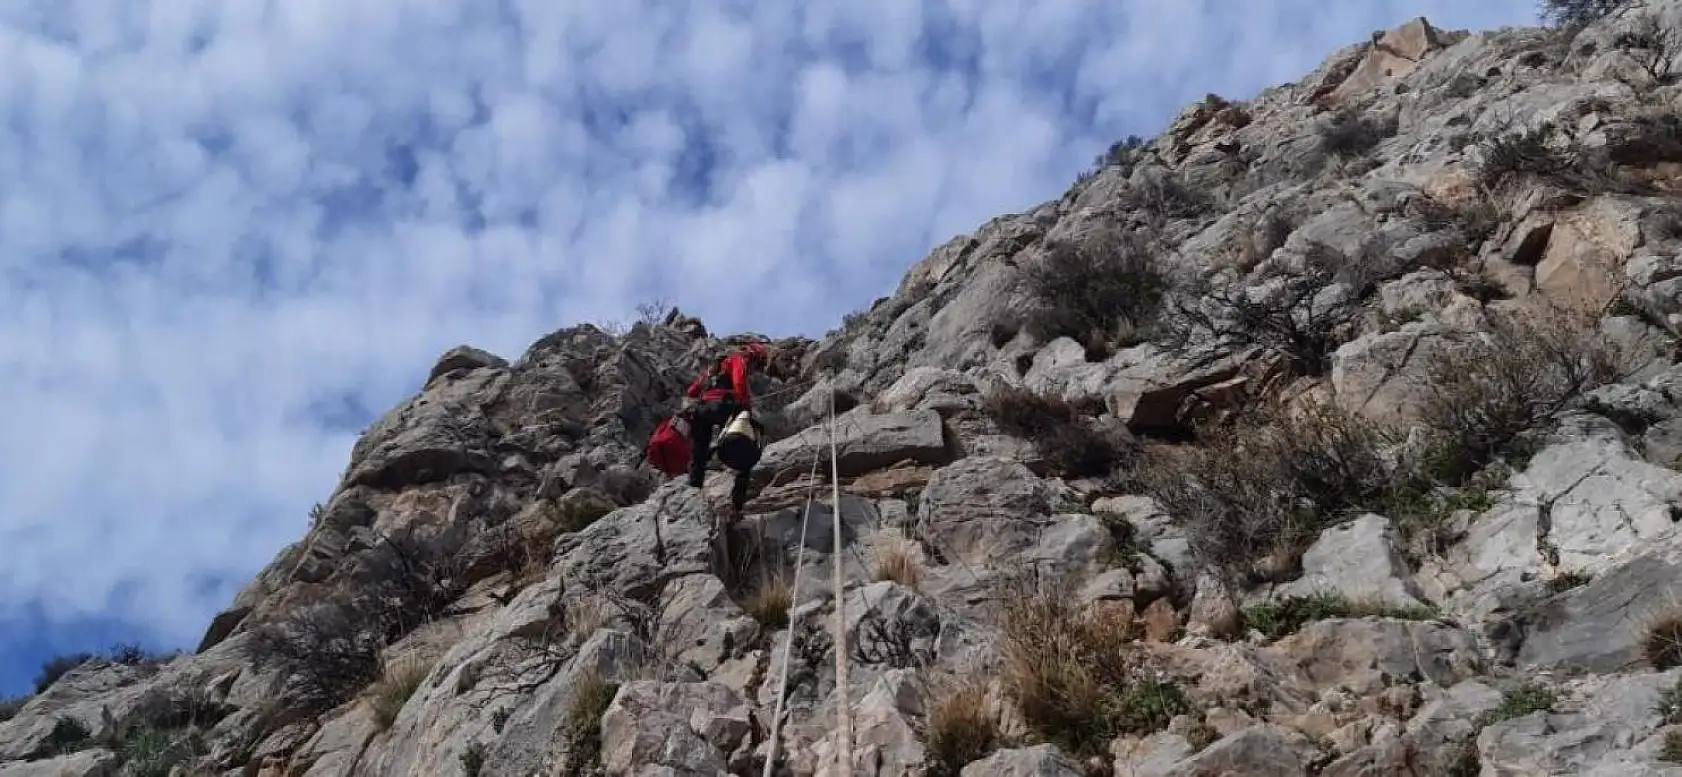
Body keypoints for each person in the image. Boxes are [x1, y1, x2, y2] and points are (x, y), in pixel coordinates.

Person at [682, 341, 770, 518]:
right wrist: (746, 407)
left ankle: (693, 490)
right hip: (723, 405)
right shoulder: (738, 359)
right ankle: (737, 504)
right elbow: (739, 382)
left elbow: (692, 391)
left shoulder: (712, 369)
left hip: (701, 409)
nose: (754, 368)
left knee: (699, 452)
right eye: (756, 363)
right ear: (753, 355)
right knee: (745, 440)